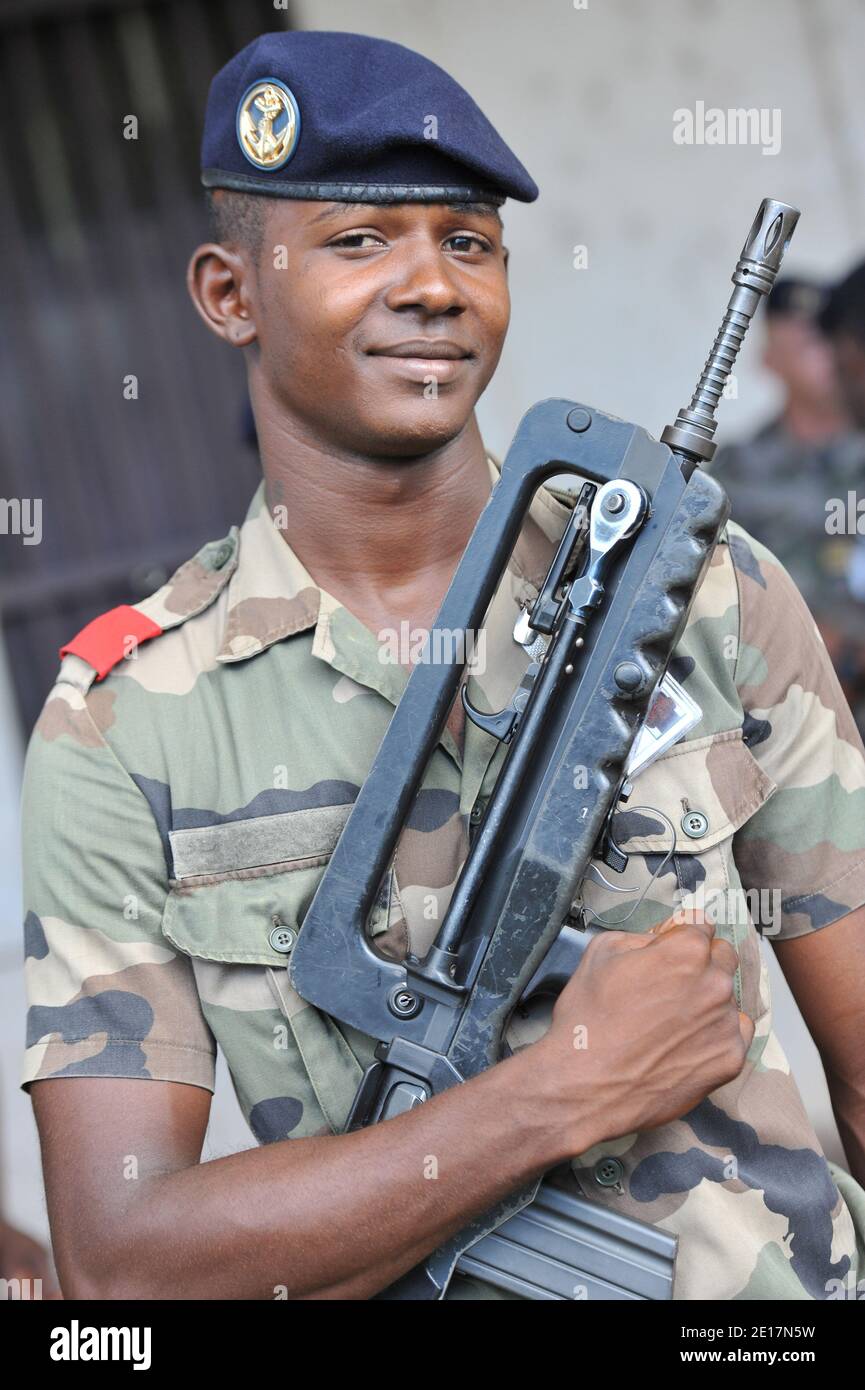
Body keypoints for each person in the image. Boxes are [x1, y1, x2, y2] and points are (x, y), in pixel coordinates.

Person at [20, 30, 865, 1302]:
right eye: (359, 241)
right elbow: (123, 1263)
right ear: (227, 293)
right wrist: (560, 1090)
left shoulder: (700, 588)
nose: (432, 286)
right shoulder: (124, 725)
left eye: (466, 241)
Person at [713, 275, 865, 732]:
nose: (819, 355)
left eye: (824, 339)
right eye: (800, 342)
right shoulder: (734, 474)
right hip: (781, 711)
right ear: (768, 359)